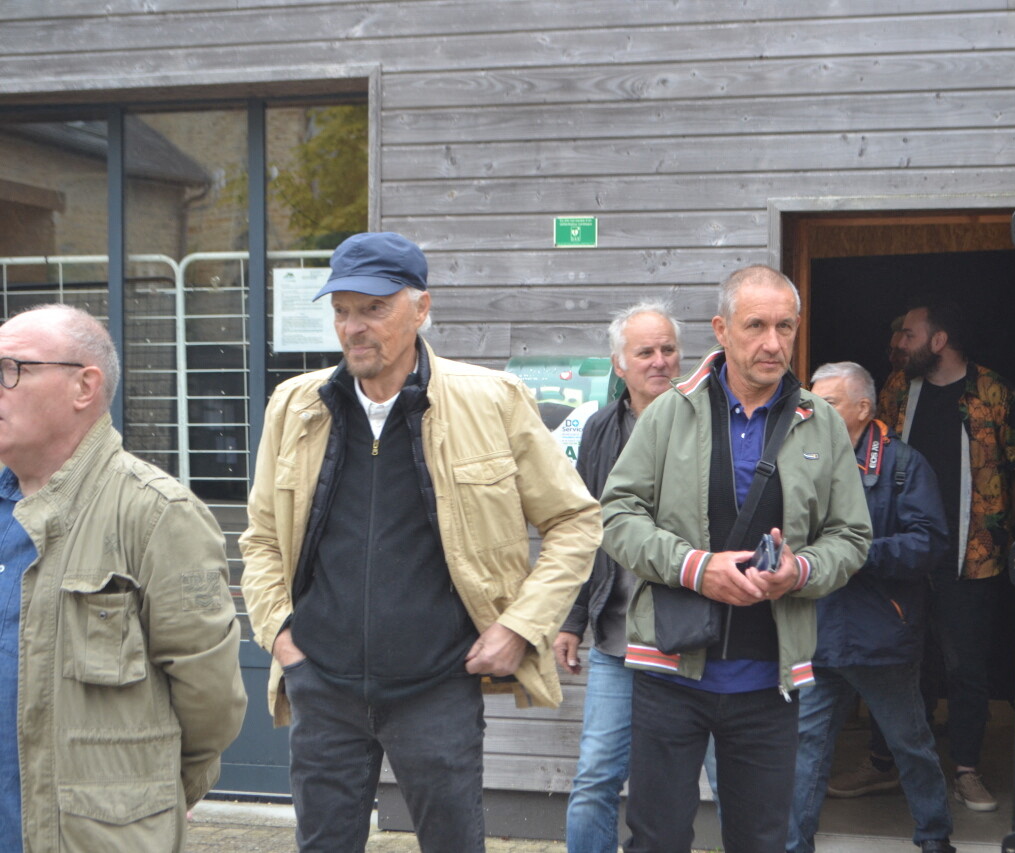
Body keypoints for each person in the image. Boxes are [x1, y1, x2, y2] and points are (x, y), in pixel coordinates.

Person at [239, 232, 601, 852]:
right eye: (342, 310)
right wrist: (279, 633)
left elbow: (575, 521)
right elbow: (262, 538)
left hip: (437, 686)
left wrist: (519, 627)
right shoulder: (296, 407)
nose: (353, 327)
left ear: (421, 307)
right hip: (322, 684)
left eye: (373, 308)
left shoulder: (490, 400)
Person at [601, 264, 872, 853]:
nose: (772, 342)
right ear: (722, 329)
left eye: (785, 327)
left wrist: (799, 571)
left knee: (762, 841)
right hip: (670, 669)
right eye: (755, 326)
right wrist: (696, 567)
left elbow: (851, 538)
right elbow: (617, 516)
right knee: (656, 839)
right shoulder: (670, 411)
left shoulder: (820, 422)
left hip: (769, 681)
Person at [0, 304, 246, 852]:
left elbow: (210, 699)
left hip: (95, 835)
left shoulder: (156, 513)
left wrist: (144, 796)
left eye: (10, 369)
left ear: (83, 386)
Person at [789, 361, 954, 853]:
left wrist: (857, 554)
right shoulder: (802, 461)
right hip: (817, 630)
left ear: (863, 409)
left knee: (909, 745)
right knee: (806, 749)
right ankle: (794, 845)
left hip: (882, 634)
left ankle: (934, 838)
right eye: (808, 402)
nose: (812, 411)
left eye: (828, 402)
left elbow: (930, 544)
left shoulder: (904, 465)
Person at [877, 300, 1015, 812]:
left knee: (967, 668)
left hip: (972, 554)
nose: (900, 344)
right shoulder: (897, 391)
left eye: (909, 335)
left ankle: (967, 770)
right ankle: (884, 765)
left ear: (939, 341)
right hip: (905, 552)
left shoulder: (994, 392)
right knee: (896, 658)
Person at [555, 302, 684, 853]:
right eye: (645, 352)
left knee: (727, 779)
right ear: (619, 363)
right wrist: (571, 619)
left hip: (692, 632)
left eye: (668, 349)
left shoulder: (706, 419)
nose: (659, 361)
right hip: (617, 637)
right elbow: (586, 532)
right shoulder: (601, 428)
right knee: (594, 779)